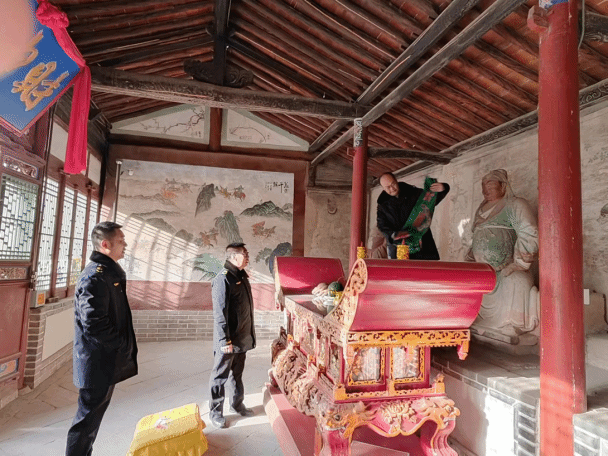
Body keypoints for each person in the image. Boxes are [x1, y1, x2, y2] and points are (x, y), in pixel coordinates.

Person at [66, 222, 138, 456]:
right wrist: (121, 345)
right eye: (121, 241)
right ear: (105, 244)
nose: (125, 244)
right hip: (96, 361)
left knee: (91, 420)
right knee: (86, 421)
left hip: (104, 360)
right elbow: (94, 324)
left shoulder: (107, 272)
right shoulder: (95, 277)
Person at [465, 169, 539, 338]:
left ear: (503, 186)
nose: (486, 191)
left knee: (518, 281)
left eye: (491, 186)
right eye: (483, 188)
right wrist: (470, 258)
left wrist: (519, 263)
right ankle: (473, 318)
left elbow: (529, 231)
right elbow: (473, 237)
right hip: (482, 269)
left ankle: (511, 323)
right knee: (467, 282)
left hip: (507, 268)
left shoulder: (515, 205)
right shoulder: (480, 209)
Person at [209, 243, 256, 428]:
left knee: (237, 374)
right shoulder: (223, 279)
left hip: (241, 337)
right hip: (228, 339)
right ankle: (215, 413)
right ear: (234, 257)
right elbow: (220, 313)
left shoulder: (241, 276)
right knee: (220, 376)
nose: (248, 256)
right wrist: (224, 340)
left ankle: (237, 404)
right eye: (245, 253)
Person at [377, 172, 450, 260]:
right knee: (402, 268)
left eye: (393, 184)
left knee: (425, 268)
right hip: (399, 248)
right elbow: (382, 226)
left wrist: (444, 188)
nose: (392, 188)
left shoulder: (413, 192)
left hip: (422, 244)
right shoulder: (382, 205)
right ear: (383, 188)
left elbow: (431, 200)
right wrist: (394, 235)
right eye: (388, 187)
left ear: (396, 180)